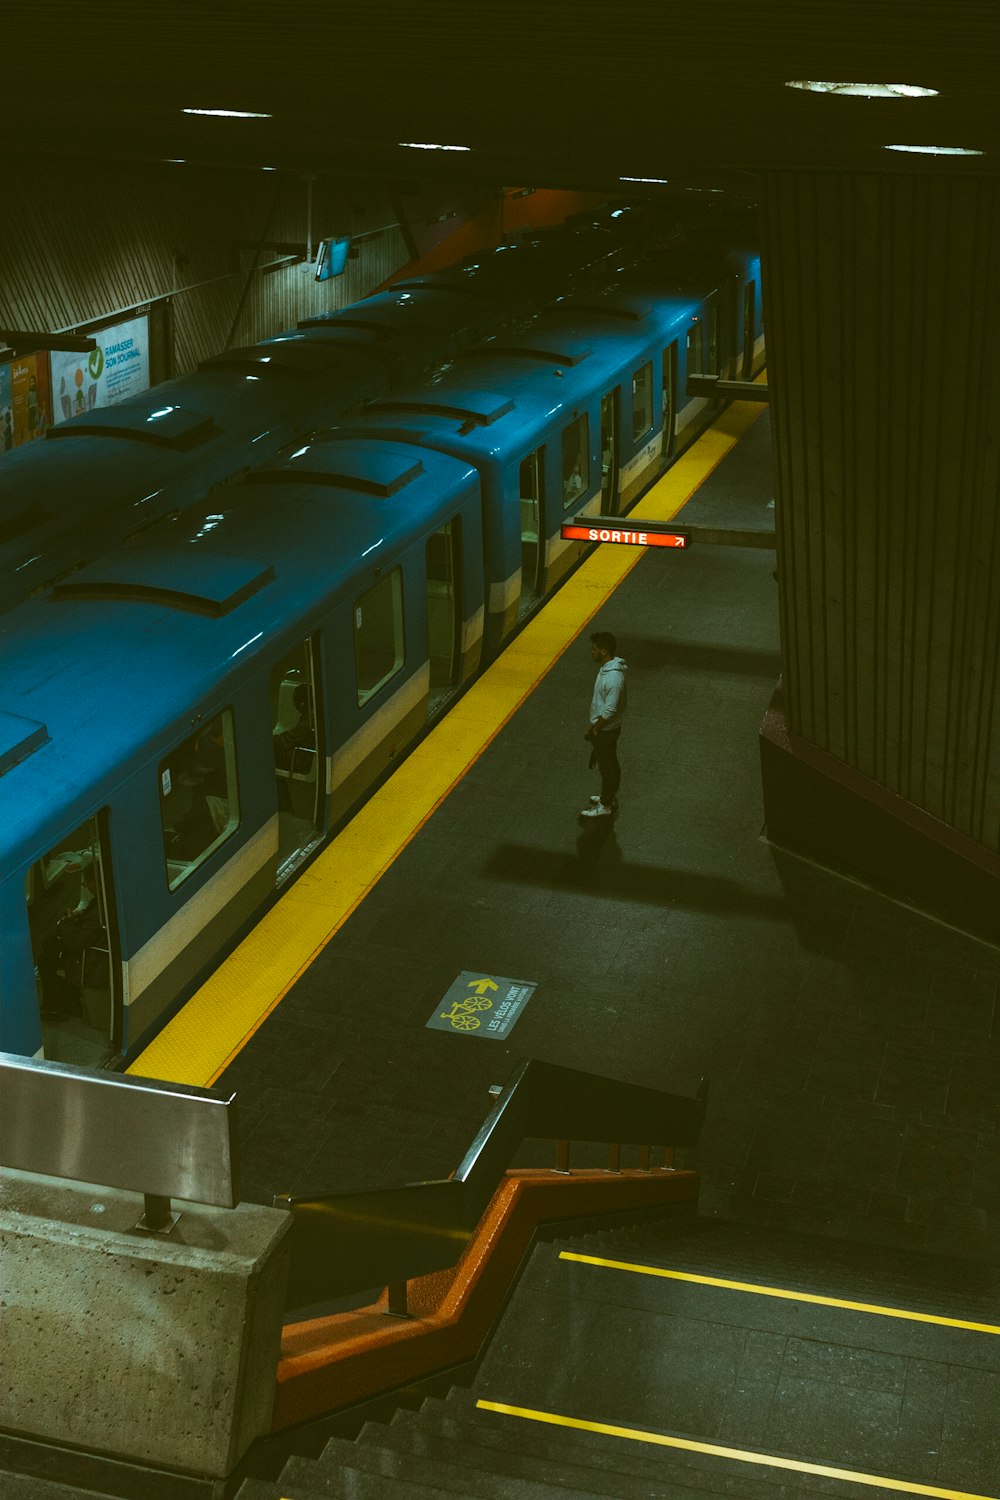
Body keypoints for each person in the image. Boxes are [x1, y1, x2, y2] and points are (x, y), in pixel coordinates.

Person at [581, 630, 628, 818]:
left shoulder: (613, 678)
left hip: (606, 730)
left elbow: (610, 710)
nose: (592, 652)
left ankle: (606, 805)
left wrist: (595, 728)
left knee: (607, 767)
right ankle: (609, 796)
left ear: (604, 652)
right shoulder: (607, 669)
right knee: (609, 764)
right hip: (605, 728)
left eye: (594, 650)